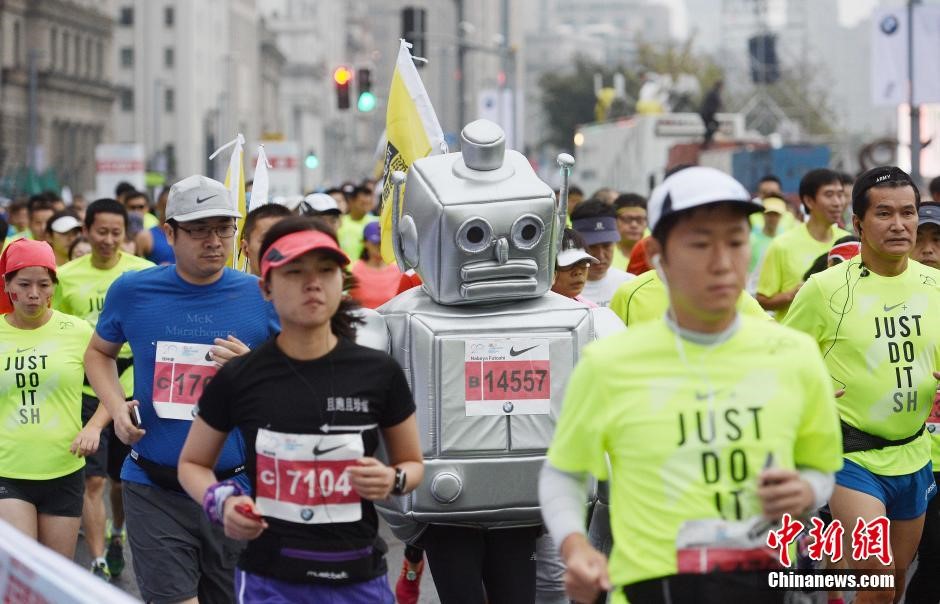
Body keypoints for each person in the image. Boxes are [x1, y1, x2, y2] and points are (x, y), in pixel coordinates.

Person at [540, 166, 843, 604]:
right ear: (659, 254)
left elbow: (822, 468)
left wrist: (807, 491)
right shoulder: (610, 362)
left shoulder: (794, 355)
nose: (722, 262)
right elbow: (563, 472)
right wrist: (575, 546)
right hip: (651, 589)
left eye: (736, 242)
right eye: (700, 244)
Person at [178, 216, 423, 603]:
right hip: (270, 580)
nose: (313, 283)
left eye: (326, 270)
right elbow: (192, 463)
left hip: (357, 578)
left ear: (341, 281)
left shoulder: (379, 371)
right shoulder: (241, 375)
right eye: (294, 272)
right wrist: (221, 501)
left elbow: (412, 465)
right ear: (266, 287)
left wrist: (391, 480)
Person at [84, 175, 279, 604]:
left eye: (224, 228)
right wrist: (116, 407)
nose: (214, 240)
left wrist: (252, 369)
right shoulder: (134, 291)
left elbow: (304, 379)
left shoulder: (261, 295)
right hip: (154, 486)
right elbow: (98, 354)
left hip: (235, 488)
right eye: (198, 229)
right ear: (168, 232)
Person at [784, 166, 940, 604]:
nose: (899, 225)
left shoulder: (936, 286)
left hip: (913, 451)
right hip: (849, 453)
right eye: (884, 214)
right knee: (873, 577)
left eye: (908, 213)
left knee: (892, 587)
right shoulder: (824, 289)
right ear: (857, 224)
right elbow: (781, 358)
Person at [54, 199, 154, 580]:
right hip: (85, 385)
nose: (109, 240)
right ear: (86, 231)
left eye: (117, 233)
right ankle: (96, 562)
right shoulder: (67, 276)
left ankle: (118, 532)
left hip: (132, 386)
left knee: (121, 478)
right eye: (101, 232)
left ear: (126, 235)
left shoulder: (141, 274)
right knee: (91, 479)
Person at [0, 239, 95, 559]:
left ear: (55, 285)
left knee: (55, 577)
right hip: (8, 470)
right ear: (7, 284)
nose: (34, 294)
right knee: (24, 569)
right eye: (24, 284)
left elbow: (111, 391)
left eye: (44, 284)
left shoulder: (78, 331)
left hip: (64, 468)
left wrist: (93, 428)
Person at [889, 201, 940, 603]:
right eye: (920, 240)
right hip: (901, 456)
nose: (927, 250)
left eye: (937, 241)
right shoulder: (881, 301)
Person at [756, 168, 849, 319]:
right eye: (829, 195)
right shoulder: (782, 245)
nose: (837, 203)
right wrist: (793, 295)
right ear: (808, 201)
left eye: (840, 195)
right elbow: (762, 300)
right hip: (795, 338)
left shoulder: (849, 243)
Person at [571, 199, 634, 307]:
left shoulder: (631, 285)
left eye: (607, 246)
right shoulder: (560, 290)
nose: (600, 255)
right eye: (592, 247)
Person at [350, 222, 401, 309]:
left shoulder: (398, 270)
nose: (380, 246)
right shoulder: (354, 269)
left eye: (383, 242)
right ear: (364, 242)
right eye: (376, 242)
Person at [239, 203, 292, 277]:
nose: (276, 248)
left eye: (283, 239)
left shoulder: (307, 287)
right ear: (245, 248)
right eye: (267, 240)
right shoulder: (232, 288)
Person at [551, 228, 598, 306]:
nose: (578, 272)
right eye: (568, 264)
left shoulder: (593, 310)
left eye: (583, 262)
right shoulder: (532, 313)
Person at [747, 197, 787, 287]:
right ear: (763, 215)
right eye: (769, 214)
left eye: (776, 214)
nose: (772, 218)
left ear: (781, 216)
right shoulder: (751, 239)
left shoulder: (786, 239)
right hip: (753, 288)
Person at [135, 186, 175, 266]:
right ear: (157, 206)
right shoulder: (146, 236)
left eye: (174, 207)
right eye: (166, 206)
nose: (170, 211)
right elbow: (135, 267)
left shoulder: (188, 235)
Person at [338, 185, 379, 260]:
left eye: (368, 204)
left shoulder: (377, 223)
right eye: (362, 203)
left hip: (367, 271)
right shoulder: (339, 223)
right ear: (351, 201)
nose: (366, 207)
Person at [610, 193, 647, 271]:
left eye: (639, 219)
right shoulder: (604, 249)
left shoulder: (657, 246)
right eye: (627, 219)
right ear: (614, 220)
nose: (634, 225)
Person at [699, 79, 722, 148]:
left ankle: (707, 141)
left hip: (706, 114)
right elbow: (719, 103)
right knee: (714, 125)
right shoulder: (714, 93)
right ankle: (706, 142)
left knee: (711, 127)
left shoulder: (712, 92)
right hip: (707, 114)